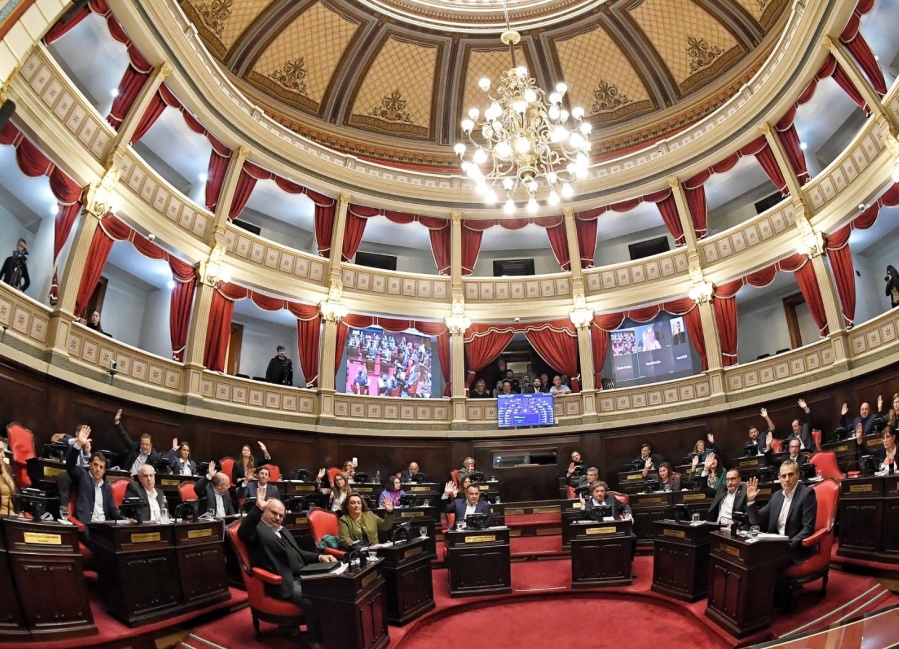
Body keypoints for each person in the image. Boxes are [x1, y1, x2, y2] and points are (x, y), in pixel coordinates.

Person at [238, 490, 336, 649]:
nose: (278, 518)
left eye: (281, 515)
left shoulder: (283, 530)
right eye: (274, 513)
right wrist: (257, 508)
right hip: (283, 582)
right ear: (264, 511)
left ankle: (329, 633)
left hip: (302, 575)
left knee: (330, 591)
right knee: (314, 602)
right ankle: (313, 641)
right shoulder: (257, 529)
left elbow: (299, 553)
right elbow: (243, 532)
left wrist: (319, 558)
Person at [747, 460, 817, 565]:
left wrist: (787, 545)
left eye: (790, 475)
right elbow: (756, 520)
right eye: (783, 476)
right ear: (779, 478)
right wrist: (751, 501)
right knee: (748, 555)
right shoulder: (776, 496)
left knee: (762, 563)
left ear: (798, 475)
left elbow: (808, 528)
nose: (787, 479)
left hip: (794, 548)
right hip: (775, 546)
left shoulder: (807, 494)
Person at [66, 425, 120, 542]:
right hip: (86, 526)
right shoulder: (83, 476)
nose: (98, 469)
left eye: (101, 467)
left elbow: (112, 510)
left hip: (103, 528)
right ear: (90, 465)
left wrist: (126, 519)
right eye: (95, 465)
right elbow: (70, 465)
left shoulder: (107, 488)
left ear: (104, 471)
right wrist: (78, 444)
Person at [579, 481, 637, 562]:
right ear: (592, 493)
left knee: (632, 537)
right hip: (598, 531)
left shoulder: (611, 499)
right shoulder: (588, 505)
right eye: (597, 491)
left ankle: (627, 563)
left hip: (616, 529)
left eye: (602, 491)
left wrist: (629, 515)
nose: (600, 493)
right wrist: (583, 507)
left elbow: (625, 505)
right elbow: (582, 519)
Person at [114, 408, 161, 477]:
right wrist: (117, 422)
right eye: (142, 444)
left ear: (151, 445)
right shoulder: (135, 447)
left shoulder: (154, 457)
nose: (144, 447)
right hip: (127, 478)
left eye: (146, 445)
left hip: (141, 483)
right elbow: (124, 436)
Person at [0, 437, 15, 515]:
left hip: (12, 516)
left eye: (3, 451)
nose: (3, 455)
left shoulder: (6, 468)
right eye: (0, 451)